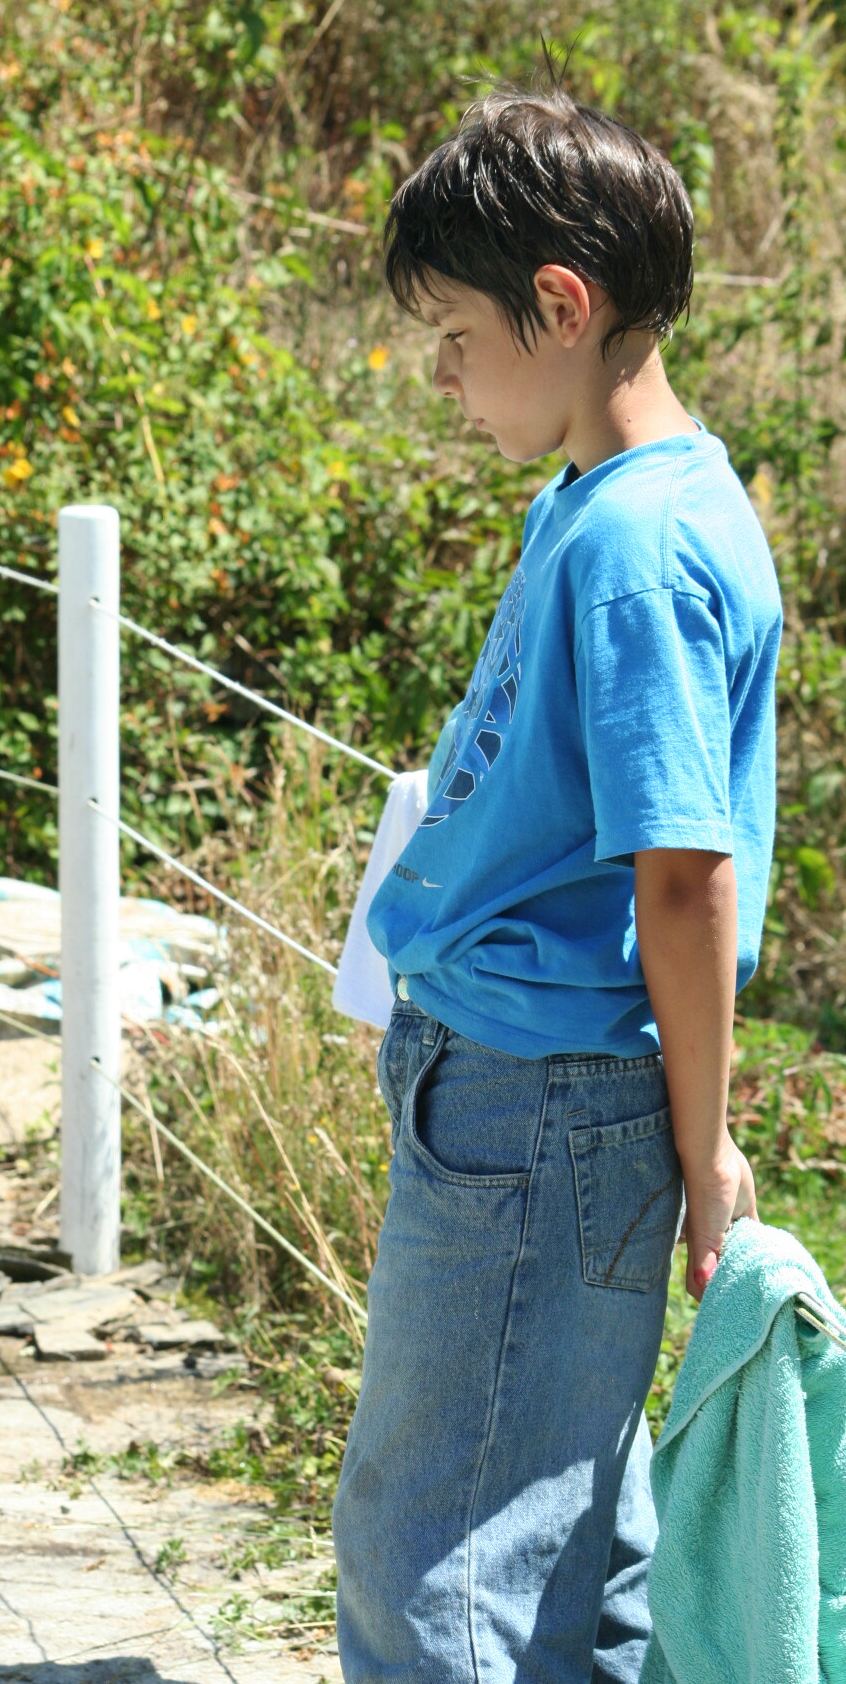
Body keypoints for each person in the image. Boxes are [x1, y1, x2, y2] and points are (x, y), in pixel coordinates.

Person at [332, 83, 782, 1684]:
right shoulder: (608, 506)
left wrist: (704, 1146)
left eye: (458, 335)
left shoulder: (637, 547)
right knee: (566, 1530)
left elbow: (686, 876)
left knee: (436, 1557)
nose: (443, 374)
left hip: (535, 1099)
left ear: (562, 305)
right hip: (524, 1084)